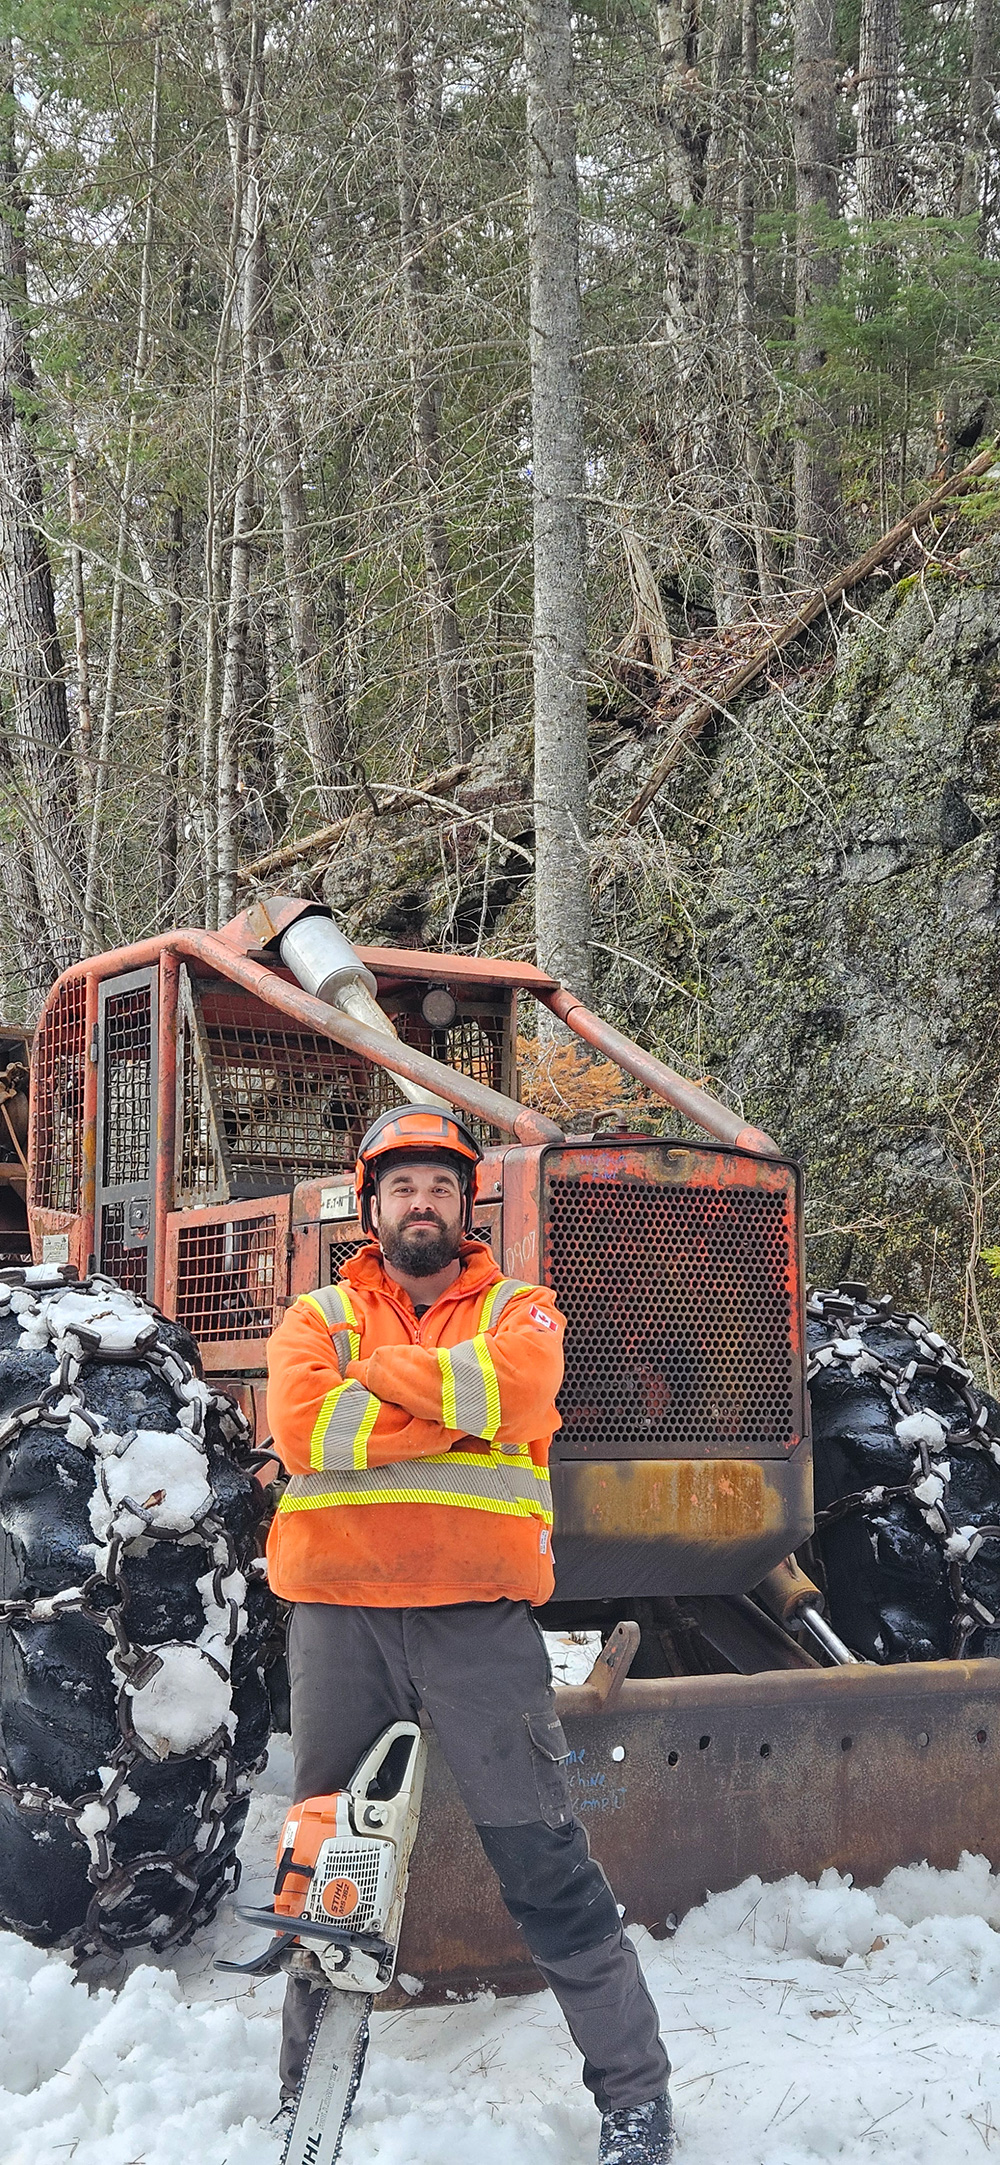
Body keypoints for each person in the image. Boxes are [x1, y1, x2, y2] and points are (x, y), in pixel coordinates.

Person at [265, 1106, 673, 2164]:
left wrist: (381, 1381)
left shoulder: (522, 1308)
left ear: (464, 1205)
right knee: (327, 1860)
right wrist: (458, 1406)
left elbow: (519, 1388)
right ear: (371, 1205)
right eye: (402, 1186)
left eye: (440, 1186)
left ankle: (636, 2098)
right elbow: (306, 1427)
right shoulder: (316, 1316)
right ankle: (304, 2097)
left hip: (479, 1623)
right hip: (341, 1622)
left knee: (544, 1857)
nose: (422, 1203)